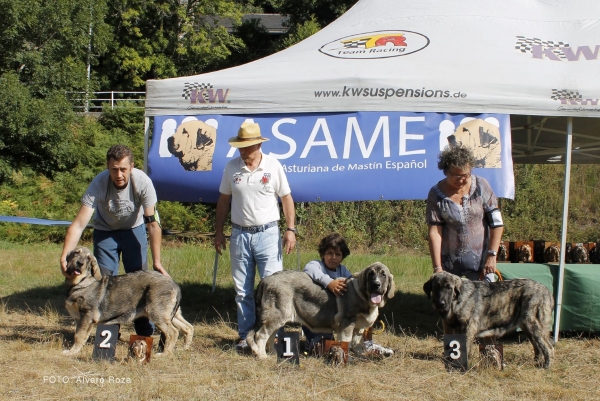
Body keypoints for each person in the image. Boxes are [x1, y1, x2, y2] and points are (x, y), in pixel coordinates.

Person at [60, 144, 168, 337]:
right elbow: (78, 225)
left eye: (123, 169)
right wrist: (64, 257)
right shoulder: (98, 184)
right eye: (114, 169)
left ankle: (144, 334)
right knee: (104, 282)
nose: (119, 175)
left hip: (134, 230)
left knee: (139, 282)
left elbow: (152, 224)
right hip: (105, 231)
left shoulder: (143, 182)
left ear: (132, 167)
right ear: (108, 167)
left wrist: (157, 262)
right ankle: (108, 335)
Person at [214, 122, 297, 354]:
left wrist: (291, 230)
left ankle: (273, 337)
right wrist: (219, 232)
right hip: (239, 234)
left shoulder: (274, 166)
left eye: (248, 146)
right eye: (240, 145)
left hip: (269, 234)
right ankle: (244, 337)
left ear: (259, 144)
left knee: (273, 289)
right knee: (242, 290)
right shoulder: (231, 167)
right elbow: (223, 201)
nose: (243, 150)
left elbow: (287, 198)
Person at [303, 233, 394, 357]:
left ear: (342, 257)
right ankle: (313, 342)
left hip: (331, 321)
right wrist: (329, 282)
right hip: (314, 318)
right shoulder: (316, 265)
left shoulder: (343, 270)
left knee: (367, 312)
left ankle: (367, 344)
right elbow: (308, 269)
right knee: (323, 350)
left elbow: (353, 287)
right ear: (322, 254)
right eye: (329, 253)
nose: (333, 257)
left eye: (338, 254)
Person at [426, 145, 504, 282]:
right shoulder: (435, 194)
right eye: (456, 176)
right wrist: (437, 267)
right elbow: (435, 232)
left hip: (482, 263)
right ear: (446, 172)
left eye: (466, 175)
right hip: (450, 265)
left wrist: (492, 255)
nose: (462, 180)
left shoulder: (481, 186)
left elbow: (497, 224)